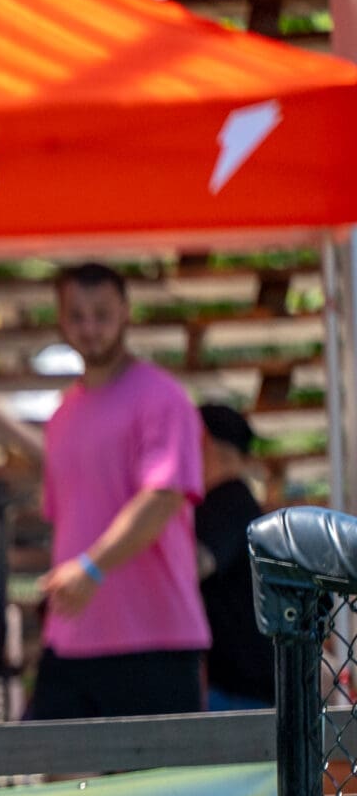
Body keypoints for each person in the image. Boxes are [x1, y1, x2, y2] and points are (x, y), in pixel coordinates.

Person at [27, 264, 208, 721]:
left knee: (162, 790)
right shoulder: (62, 415)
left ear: (126, 314)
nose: (90, 328)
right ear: (60, 319)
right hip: (72, 640)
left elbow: (162, 497)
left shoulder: (162, 398)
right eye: (78, 315)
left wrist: (91, 568)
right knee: (47, 776)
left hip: (155, 641)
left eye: (102, 314)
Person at [194, 403, 269, 712]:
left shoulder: (228, 502)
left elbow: (197, 563)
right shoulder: (237, 502)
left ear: (202, 440)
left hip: (238, 696)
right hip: (242, 690)